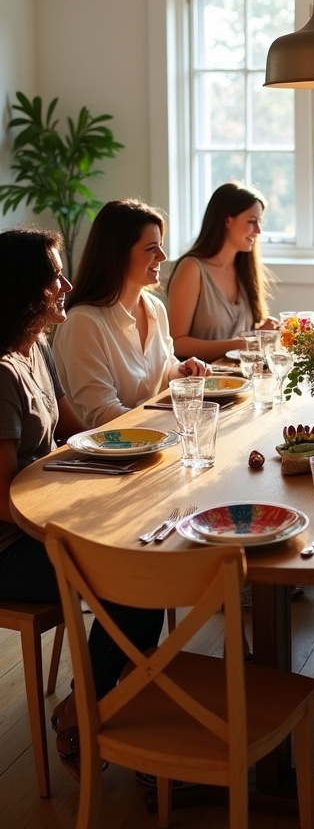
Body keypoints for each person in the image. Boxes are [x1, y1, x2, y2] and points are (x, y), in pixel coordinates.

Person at [0, 227, 164, 779]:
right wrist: (72, 526)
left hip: (51, 521)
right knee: (135, 583)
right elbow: (3, 499)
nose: (66, 284)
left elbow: (75, 434)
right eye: (53, 277)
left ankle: (101, 712)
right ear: (23, 289)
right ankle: (86, 716)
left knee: (145, 568)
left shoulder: (36, 347)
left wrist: (145, 449)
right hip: (13, 544)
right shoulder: (0, 374)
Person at [53, 199, 208, 427]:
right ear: (117, 254)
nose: (162, 256)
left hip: (152, 440)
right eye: (151, 248)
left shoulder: (155, 308)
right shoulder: (83, 322)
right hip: (107, 454)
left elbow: (164, 372)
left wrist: (182, 371)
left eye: (161, 245)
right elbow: (102, 414)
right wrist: (171, 423)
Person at [167, 182, 278, 363]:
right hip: (203, 383)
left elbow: (242, 334)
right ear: (227, 220)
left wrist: (261, 333)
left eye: (260, 222)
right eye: (251, 221)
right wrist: (245, 343)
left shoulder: (245, 270)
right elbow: (176, 343)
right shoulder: (192, 269)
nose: (258, 231)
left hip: (242, 378)